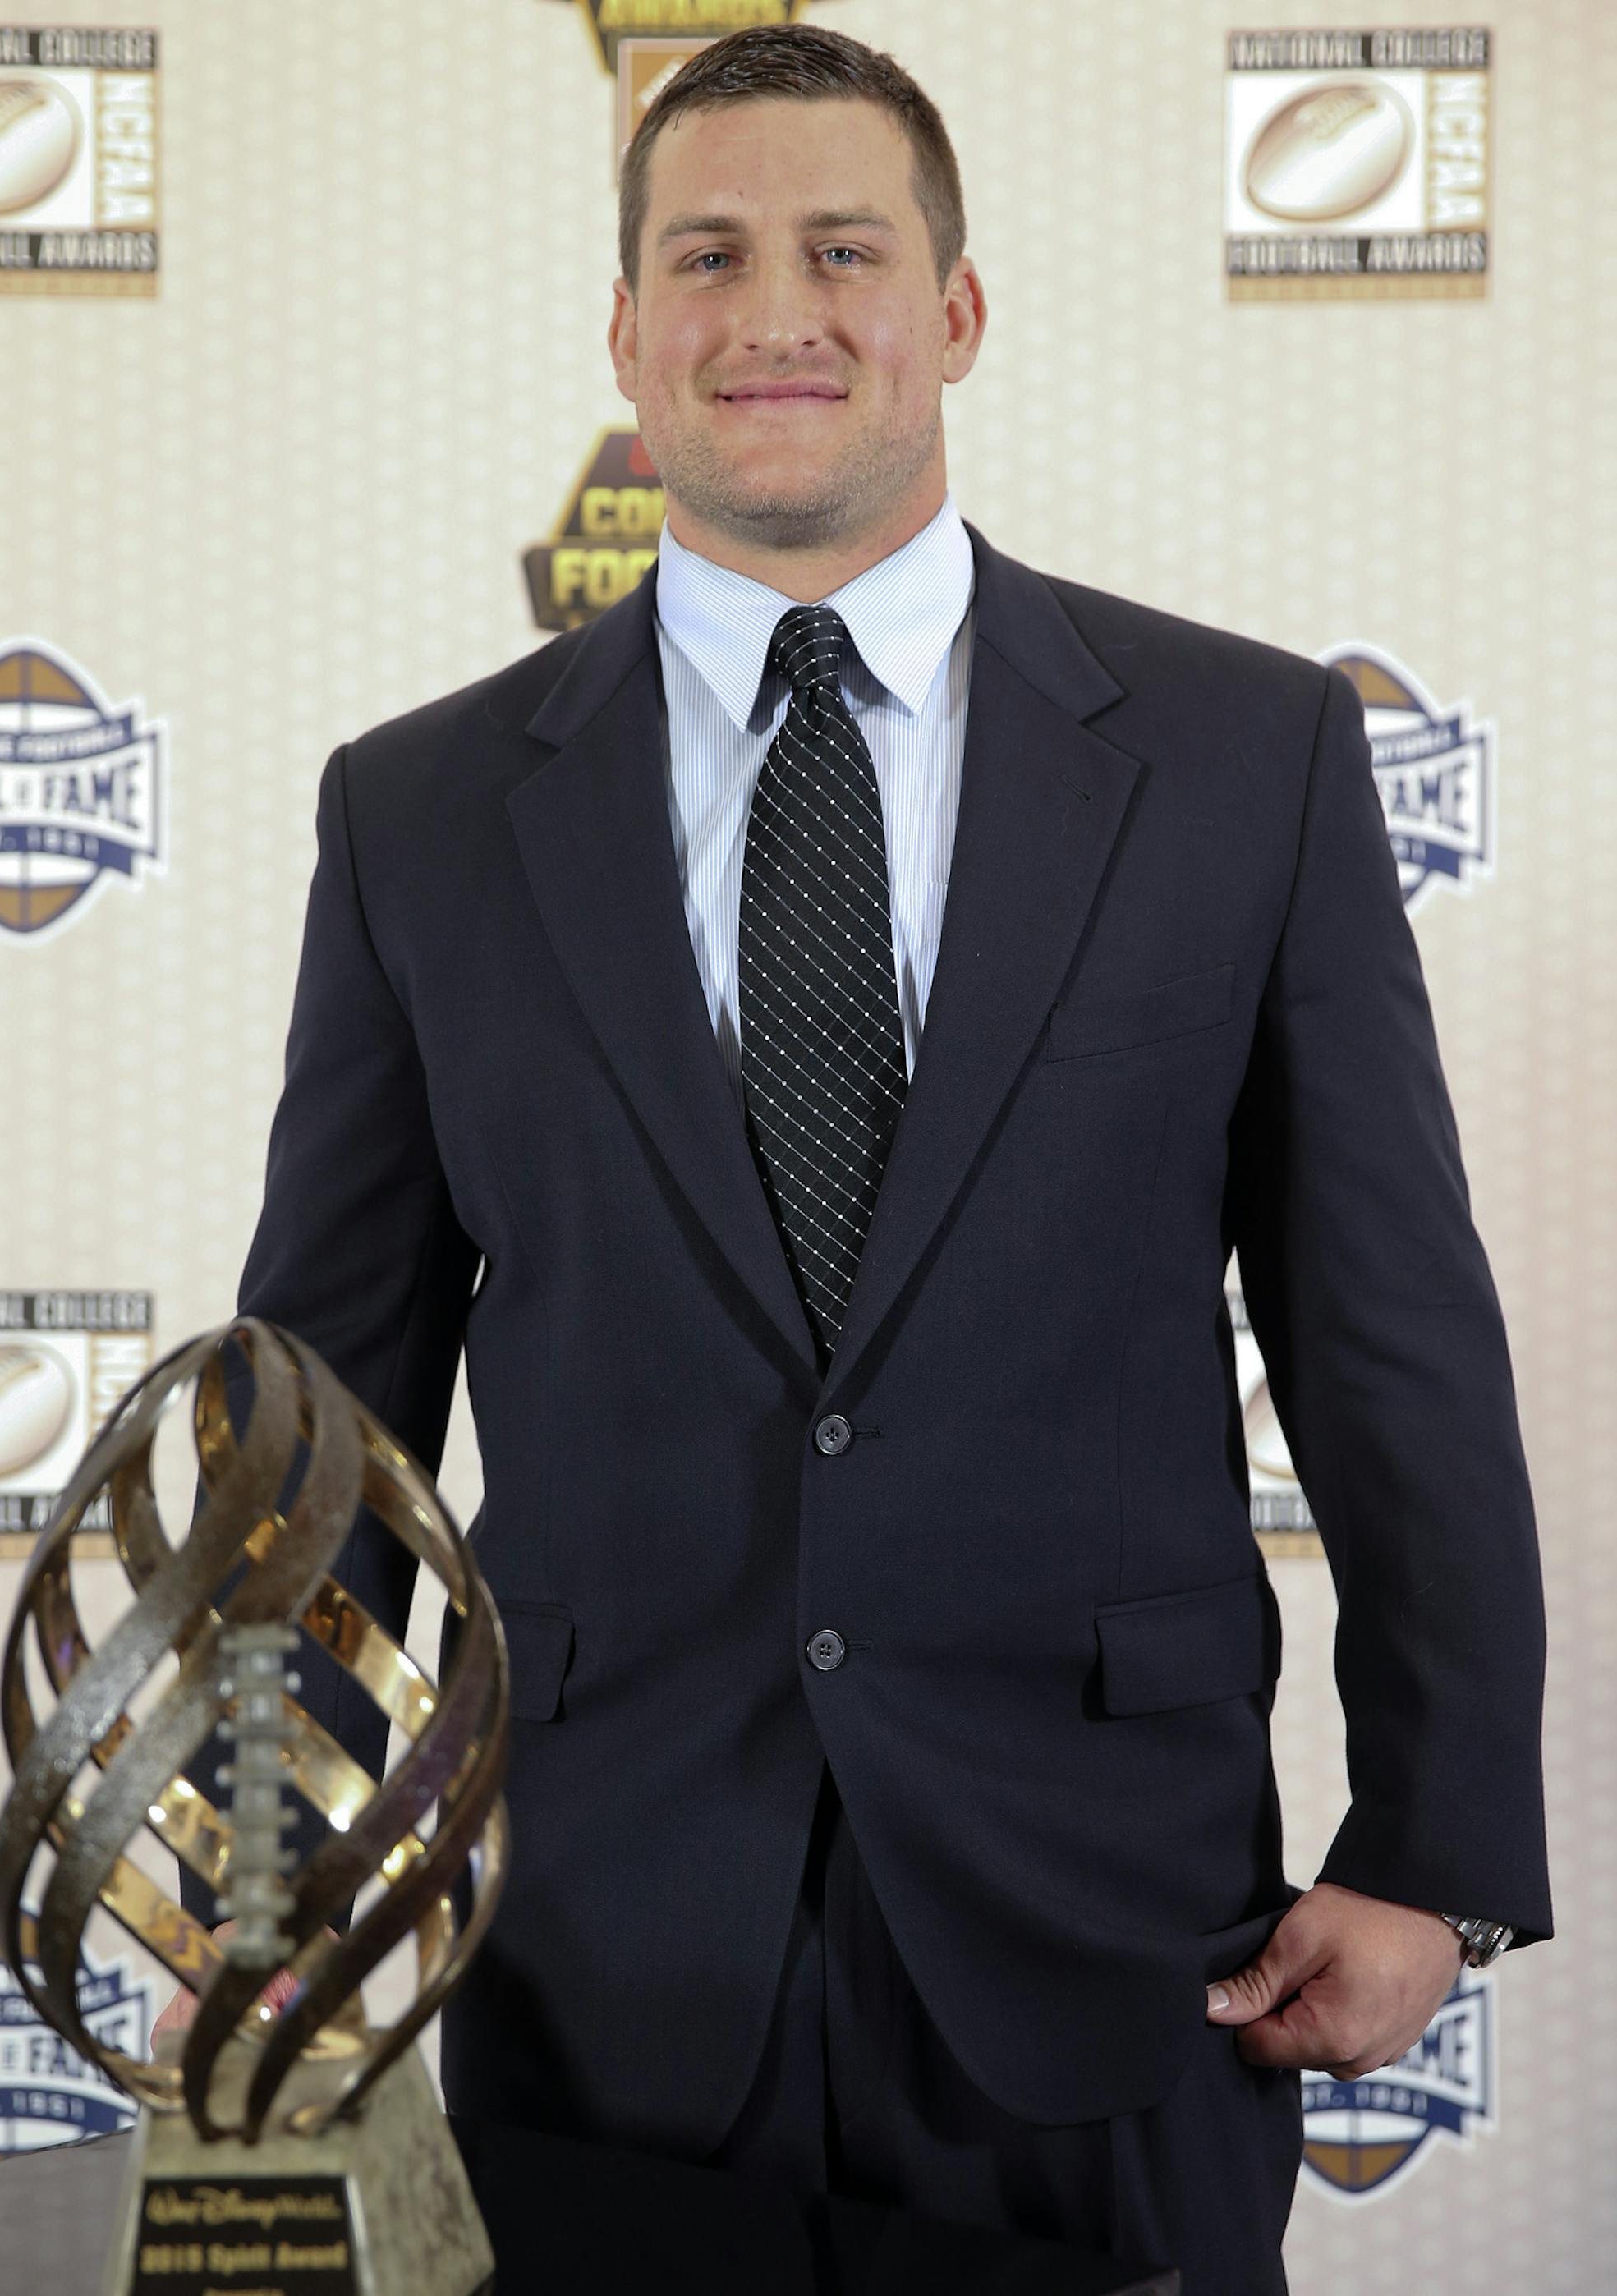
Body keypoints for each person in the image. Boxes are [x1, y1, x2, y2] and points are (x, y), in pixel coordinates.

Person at [163, 25, 1550, 2295]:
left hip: (1109, 1937)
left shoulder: (1244, 755)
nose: (774, 311)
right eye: (705, 255)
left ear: (958, 311)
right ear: (628, 333)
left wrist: (1438, 1839)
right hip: (595, 1950)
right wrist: (255, 1883)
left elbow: (1392, 1338)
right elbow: (332, 1418)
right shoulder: (415, 813)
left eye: (843, 249)